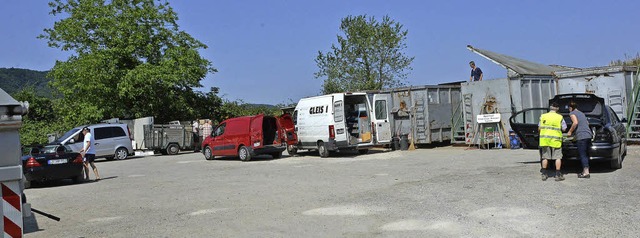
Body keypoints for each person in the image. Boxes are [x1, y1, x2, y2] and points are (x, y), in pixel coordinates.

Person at [539, 102, 567, 181]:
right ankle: (558, 175)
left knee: (545, 157)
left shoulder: (543, 116)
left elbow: (539, 128)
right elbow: (564, 128)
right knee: (557, 157)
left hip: (545, 140)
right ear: (557, 108)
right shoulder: (560, 117)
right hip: (556, 140)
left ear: (550, 108)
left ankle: (544, 174)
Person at [567, 101, 593, 179]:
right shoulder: (582, 113)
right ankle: (586, 170)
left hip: (581, 136)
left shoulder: (572, 113)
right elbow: (587, 123)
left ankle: (586, 173)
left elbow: (575, 123)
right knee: (586, 154)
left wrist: (570, 132)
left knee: (583, 155)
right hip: (588, 135)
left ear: (570, 108)